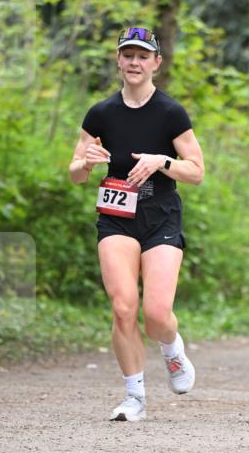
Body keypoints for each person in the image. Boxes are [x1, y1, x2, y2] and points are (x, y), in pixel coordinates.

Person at [68, 26, 204, 422]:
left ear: (156, 63)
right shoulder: (100, 113)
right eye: (128, 54)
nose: (134, 62)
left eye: (143, 56)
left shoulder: (171, 113)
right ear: (118, 60)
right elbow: (76, 172)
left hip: (160, 215)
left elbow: (196, 172)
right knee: (123, 307)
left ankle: (172, 349)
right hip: (116, 216)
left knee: (156, 314)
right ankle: (135, 396)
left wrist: (161, 162)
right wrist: (87, 162)